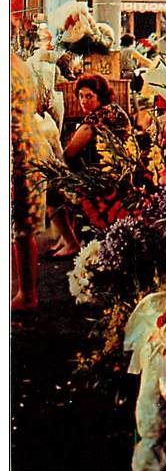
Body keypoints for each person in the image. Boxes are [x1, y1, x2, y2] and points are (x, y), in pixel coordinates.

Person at [46, 73, 133, 258]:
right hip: (121, 171)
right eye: (81, 96)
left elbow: (69, 153)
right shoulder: (113, 109)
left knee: (52, 192)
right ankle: (67, 238)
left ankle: (71, 243)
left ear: (100, 96)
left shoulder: (96, 119)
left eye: (89, 96)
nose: (83, 101)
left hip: (106, 178)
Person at [11, 53, 45, 310]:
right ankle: (23, 290)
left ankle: (27, 293)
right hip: (28, 142)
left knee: (21, 226)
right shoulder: (17, 63)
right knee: (22, 228)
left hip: (18, 148)